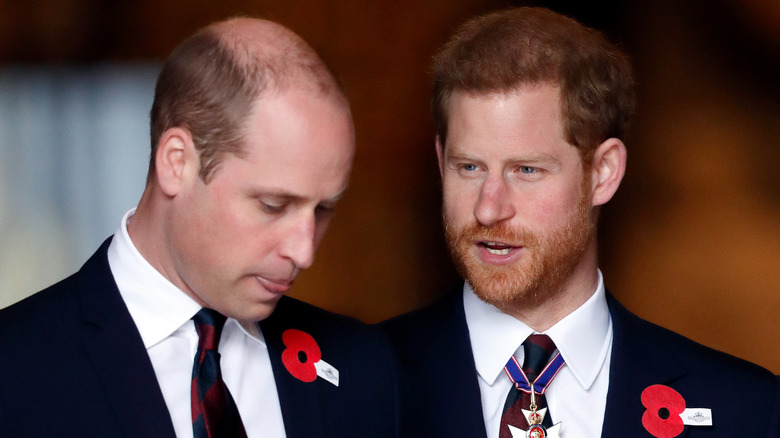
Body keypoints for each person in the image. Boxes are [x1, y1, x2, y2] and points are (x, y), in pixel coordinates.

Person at [380, 7, 779, 438]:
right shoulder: (354, 383)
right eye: (469, 168)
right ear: (441, 163)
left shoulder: (746, 409)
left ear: (603, 173)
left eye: (526, 170)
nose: (488, 209)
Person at [0, 18, 402, 438]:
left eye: (322, 210)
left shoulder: (364, 368)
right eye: (273, 205)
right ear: (177, 162)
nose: (304, 252)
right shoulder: (14, 370)